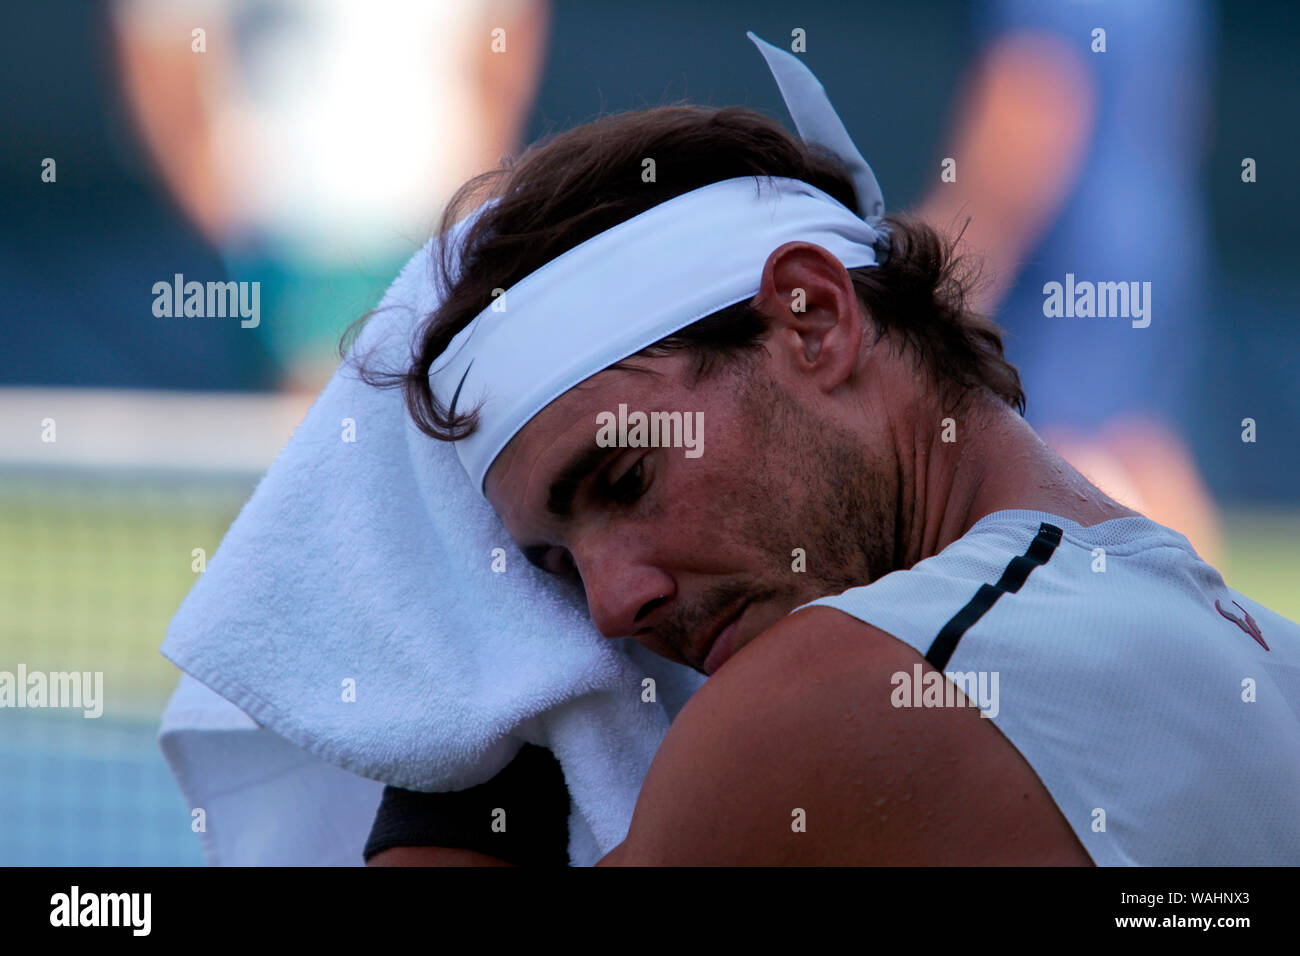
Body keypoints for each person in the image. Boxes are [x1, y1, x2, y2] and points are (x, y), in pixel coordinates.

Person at [360, 96, 1299, 865]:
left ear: (813, 318)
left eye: (628, 477)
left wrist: (471, 705)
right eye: (554, 570)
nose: (610, 610)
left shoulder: (839, 694)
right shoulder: (1275, 664)